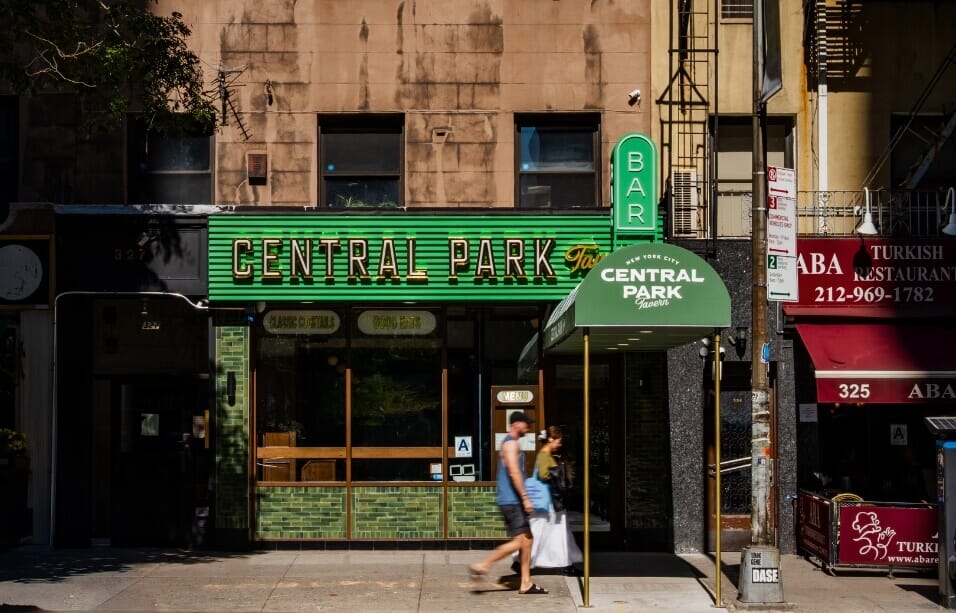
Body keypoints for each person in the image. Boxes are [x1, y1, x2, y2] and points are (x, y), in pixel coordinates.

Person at [469, 411, 548, 595]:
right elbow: (514, 472)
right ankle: (482, 565)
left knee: (527, 539)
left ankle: (526, 582)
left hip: (511, 499)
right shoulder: (511, 444)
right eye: (526, 423)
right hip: (512, 500)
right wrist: (525, 498)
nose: (528, 427)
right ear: (516, 424)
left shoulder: (510, 443)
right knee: (520, 541)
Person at [514, 425, 582, 575]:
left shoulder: (546, 454)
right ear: (551, 439)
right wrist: (558, 473)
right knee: (546, 531)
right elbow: (543, 475)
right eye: (558, 441)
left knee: (555, 531)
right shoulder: (545, 455)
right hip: (549, 500)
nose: (560, 444)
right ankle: (522, 561)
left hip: (550, 500)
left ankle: (566, 563)